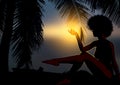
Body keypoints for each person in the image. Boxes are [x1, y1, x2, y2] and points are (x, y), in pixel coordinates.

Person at [43, 15, 120, 80]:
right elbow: (82, 49)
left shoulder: (109, 44)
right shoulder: (96, 43)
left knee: (84, 55)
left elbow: (114, 62)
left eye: (94, 29)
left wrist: (117, 76)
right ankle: (68, 75)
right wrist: (77, 35)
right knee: (83, 55)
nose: (92, 31)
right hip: (97, 71)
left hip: (107, 73)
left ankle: (58, 62)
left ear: (100, 29)